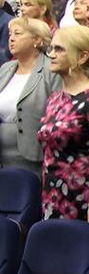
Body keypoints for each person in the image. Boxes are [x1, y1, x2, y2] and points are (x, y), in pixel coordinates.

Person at [39, 26, 89, 219]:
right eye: (51, 48)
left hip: (80, 196)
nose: (51, 54)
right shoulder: (55, 97)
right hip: (51, 192)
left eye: (59, 49)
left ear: (82, 57)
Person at [0, 17, 58, 173]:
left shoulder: (51, 70)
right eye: (10, 34)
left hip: (33, 156)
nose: (11, 38)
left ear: (37, 39)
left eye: (18, 33)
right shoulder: (6, 68)